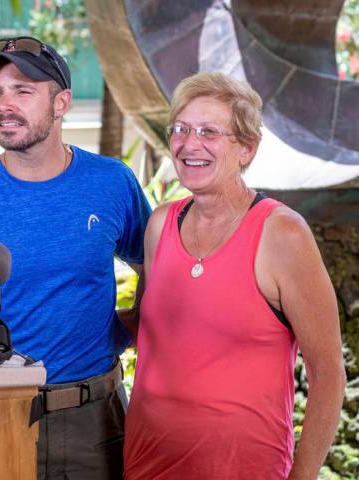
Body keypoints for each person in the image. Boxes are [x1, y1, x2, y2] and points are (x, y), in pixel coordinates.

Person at [0, 36, 152, 479]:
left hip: (94, 421)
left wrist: (128, 326)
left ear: (61, 103)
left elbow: (156, 268)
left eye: (23, 91)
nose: (5, 105)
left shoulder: (112, 183)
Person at [123, 72, 346, 479]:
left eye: (209, 131)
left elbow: (329, 373)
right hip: (146, 466)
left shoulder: (282, 233)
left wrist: (303, 475)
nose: (190, 144)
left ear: (247, 147)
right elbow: (153, 333)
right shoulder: (159, 225)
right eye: (182, 129)